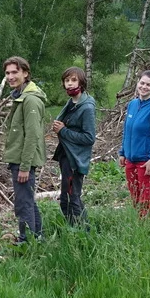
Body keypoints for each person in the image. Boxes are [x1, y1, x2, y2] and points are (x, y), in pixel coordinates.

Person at [2, 56, 48, 243]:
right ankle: (38, 238)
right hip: (19, 159)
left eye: (15, 72)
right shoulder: (21, 96)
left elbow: (32, 135)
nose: (11, 76)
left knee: (23, 203)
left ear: (25, 73)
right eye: (7, 73)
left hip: (23, 161)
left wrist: (24, 166)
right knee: (27, 199)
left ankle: (26, 241)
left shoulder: (30, 100)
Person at [119, 70, 150, 223]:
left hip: (147, 162)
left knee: (146, 200)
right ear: (137, 83)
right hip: (131, 160)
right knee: (136, 198)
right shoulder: (133, 104)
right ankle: (142, 225)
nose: (144, 87)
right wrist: (123, 152)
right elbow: (127, 130)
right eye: (142, 83)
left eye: (148, 84)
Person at [52, 66, 97, 228]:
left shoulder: (87, 108)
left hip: (76, 159)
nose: (70, 84)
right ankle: (82, 229)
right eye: (67, 80)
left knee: (70, 199)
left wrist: (63, 130)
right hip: (67, 156)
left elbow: (89, 138)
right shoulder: (71, 104)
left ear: (81, 83)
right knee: (70, 197)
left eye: (73, 80)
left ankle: (81, 234)